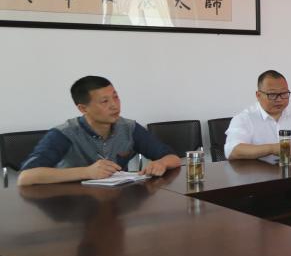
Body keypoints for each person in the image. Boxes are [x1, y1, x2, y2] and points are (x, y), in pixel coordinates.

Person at [18, 76, 181, 186]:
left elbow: (173, 158)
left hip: (117, 203)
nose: (114, 105)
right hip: (73, 205)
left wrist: (161, 163)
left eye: (115, 97)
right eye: (104, 101)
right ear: (83, 108)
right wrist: (87, 172)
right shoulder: (64, 133)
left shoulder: (128, 127)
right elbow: (26, 177)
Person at [224, 70, 291, 160]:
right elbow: (232, 150)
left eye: (284, 93)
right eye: (272, 94)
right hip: (258, 176)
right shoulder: (244, 118)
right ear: (258, 95)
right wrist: (271, 149)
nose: (279, 99)